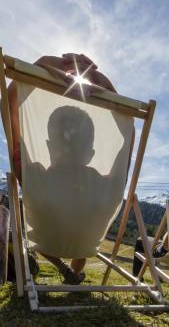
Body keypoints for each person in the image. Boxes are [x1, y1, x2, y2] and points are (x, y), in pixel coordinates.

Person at [5, 53, 134, 284]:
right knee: (81, 234)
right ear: (91, 152)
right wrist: (100, 80)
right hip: (87, 245)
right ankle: (73, 272)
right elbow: (129, 132)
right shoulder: (107, 184)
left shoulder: (34, 174)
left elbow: (8, 106)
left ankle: (62, 266)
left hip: (45, 241)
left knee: (22, 224)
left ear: (48, 146)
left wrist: (44, 63)